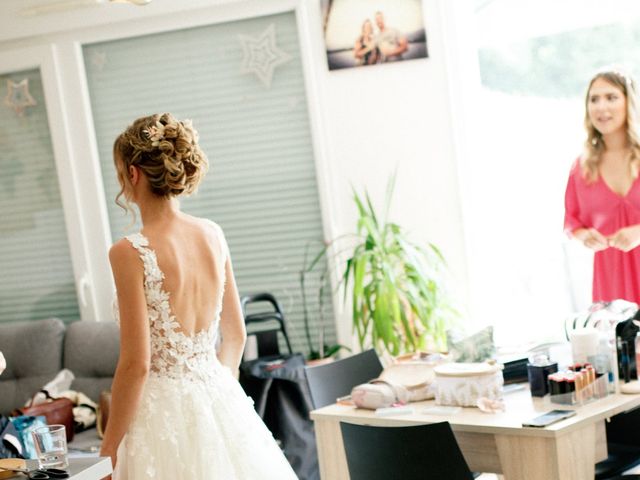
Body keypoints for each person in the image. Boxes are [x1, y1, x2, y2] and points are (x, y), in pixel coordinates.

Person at [99, 113, 298, 479]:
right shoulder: (212, 234)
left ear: (132, 173)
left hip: (161, 416)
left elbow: (136, 365)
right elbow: (236, 335)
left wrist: (108, 453)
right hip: (220, 395)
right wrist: (216, 395)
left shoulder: (128, 252)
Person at [564, 68, 640, 305]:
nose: (600, 107)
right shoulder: (583, 167)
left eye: (611, 97)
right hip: (612, 280)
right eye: (593, 99)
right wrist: (585, 236)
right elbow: (572, 222)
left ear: (629, 101)